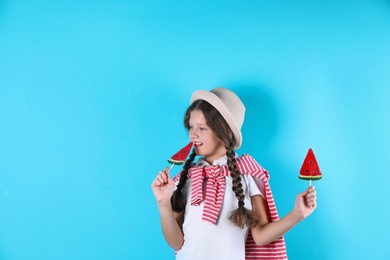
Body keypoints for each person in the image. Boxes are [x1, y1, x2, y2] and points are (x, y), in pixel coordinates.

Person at [151, 87, 317, 260]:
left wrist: (297, 214)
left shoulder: (247, 172)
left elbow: (260, 236)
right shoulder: (185, 177)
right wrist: (163, 203)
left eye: (202, 128)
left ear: (223, 131)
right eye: (191, 127)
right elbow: (176, 243)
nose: (193, 134)